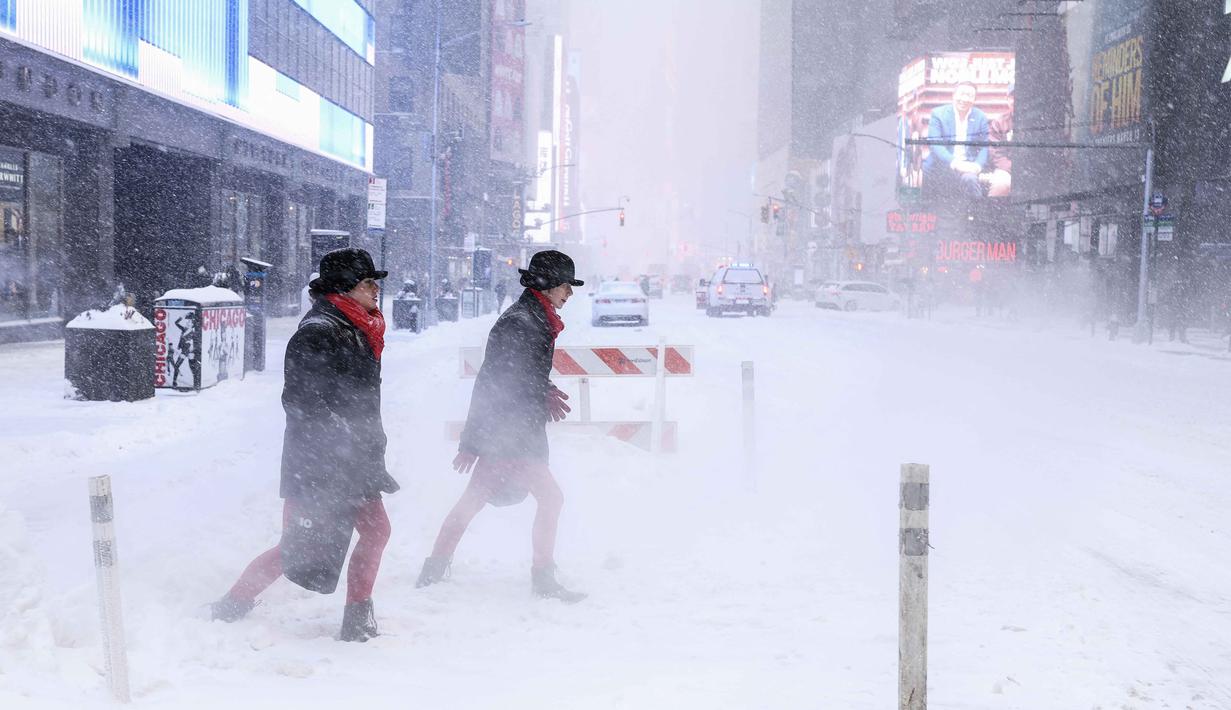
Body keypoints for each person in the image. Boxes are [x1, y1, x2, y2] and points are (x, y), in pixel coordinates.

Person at [210, 248, 398, 642]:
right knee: (296, 550)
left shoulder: (356, 326)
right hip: (321, 463)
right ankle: (231, 604)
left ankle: (357, 618)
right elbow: (301, 402)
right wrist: (343, 442)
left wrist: (364, 447)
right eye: (368, 282)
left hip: (354, 460)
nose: (376, 289)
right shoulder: (319, 331)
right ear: (346, 286)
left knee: (376, 530)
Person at [417, 250, 586, 603]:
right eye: (566, 286)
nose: (570, 293)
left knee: (475, 500)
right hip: (511, 431)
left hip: (512, 429)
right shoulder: (521, 321)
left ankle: (434, 568)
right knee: (550, 498)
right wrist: (472, 441)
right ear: (549, 285)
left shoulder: (534, 317)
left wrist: (545, 389)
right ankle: (542, 578)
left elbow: (522, 374)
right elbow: (496, 379)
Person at [923, 82, 989, 202]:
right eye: (961, 94)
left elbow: (985, 146)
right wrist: (955, 162)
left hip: (967, 165)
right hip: (941, 164)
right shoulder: (938, 114)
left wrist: (977, 165)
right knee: (924, 183)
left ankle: (976, 214)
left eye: (969, 95)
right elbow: (935, 143)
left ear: (974, 99)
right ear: (953, 95)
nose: (964, 99)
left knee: (971, 181)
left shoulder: (980, 117)